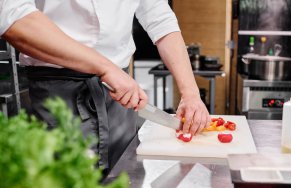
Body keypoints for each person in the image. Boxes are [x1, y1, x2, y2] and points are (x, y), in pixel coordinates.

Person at [0, 0, 211, 173]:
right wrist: (105, 67)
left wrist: (190, 93)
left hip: (120, 98)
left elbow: (161, 20)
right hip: (58, 97)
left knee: (125, 182)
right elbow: (14, 18)